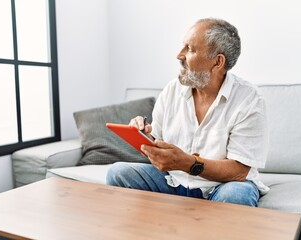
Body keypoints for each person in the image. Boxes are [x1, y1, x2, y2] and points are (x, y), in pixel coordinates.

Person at [106, 18, 269, 207]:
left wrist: (188, 163)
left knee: (237, 195)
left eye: (190, 49)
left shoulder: (249, 99)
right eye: (183, 46)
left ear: (217, 62)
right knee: (117, 172)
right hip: (173, 181)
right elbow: (157, 146)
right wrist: (145, 136)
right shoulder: (172, 90)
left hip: (222, 186)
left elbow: (239, 171)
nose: (179, 55)